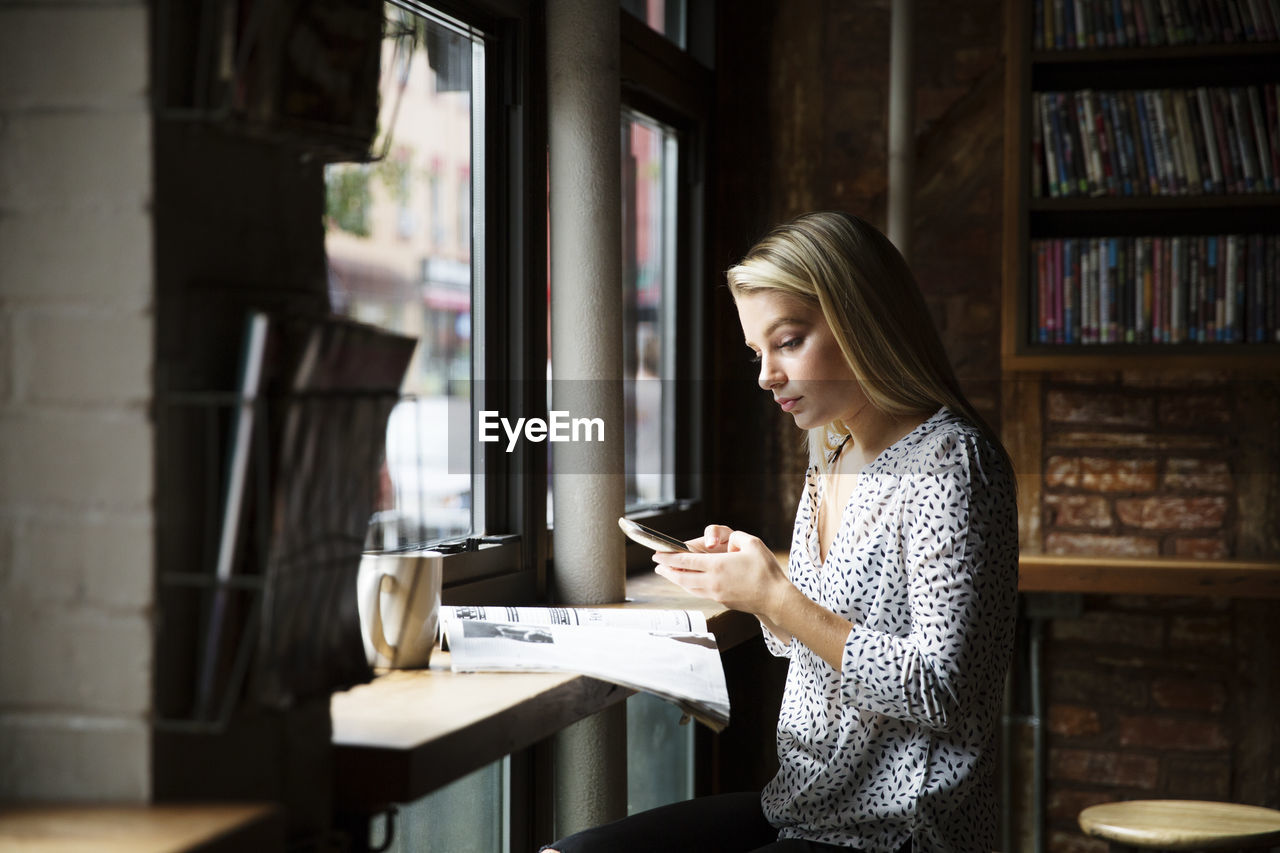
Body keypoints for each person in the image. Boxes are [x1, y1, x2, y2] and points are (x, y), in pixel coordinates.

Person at [543, 211, 1019, 853]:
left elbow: (948, 693)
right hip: (802, 804)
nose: (766, 375)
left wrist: (777, 598)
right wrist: (757, 578)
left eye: (788, 342)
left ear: (862, 321)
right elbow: (816, 645)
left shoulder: (951, 463)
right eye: (756, 352)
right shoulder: (830, 451)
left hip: (897, 833)